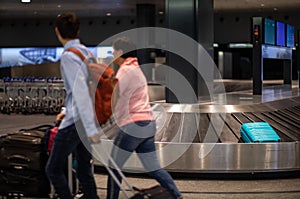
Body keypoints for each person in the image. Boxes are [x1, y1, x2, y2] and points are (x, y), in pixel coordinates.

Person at [106, 37, 183, 199]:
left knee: (114, 167)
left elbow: (115, 96)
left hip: (132, 125)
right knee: (153, 167)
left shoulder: (124, 70)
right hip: (147, 123)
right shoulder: (136, 68)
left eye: (114, 50)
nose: (112, 53)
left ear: (120, 52)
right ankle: (176, 196)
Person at [45, 12, 100, 199]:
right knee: (84, 168)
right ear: (78, 30)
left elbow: (80, 93)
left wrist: (91, 129)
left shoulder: (69, 56)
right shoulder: (86, 52)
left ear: (57, 31)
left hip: (76, 122)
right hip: (87, 117)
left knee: (53, 168)